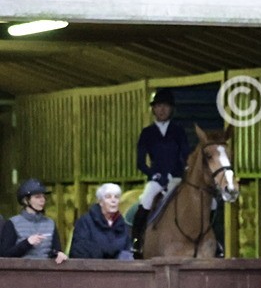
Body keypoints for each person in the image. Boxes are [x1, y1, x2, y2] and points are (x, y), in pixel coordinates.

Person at [132, 88, 191, 255]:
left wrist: (183, 172)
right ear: (153, 109)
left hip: (176, 178)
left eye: (165, 106)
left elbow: (186, 155)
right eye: (158, 106)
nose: (162, 109)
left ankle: (209, 239)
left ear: (171, 109)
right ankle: (136, 240)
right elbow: (140, 162)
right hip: (156, 179)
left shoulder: (178, 131)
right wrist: (153, 174)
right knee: (146, 200)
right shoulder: (147, 133)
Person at [0, 178, 67, 263]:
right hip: (21, 270)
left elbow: (56, 249)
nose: (42, 200)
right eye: (37, 197)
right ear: (26, 200)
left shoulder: (50, 223)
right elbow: (4, 254)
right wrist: (27, 243)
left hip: (46, 270)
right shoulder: (12, 223)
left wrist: (58, 254)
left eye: (43, 196)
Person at [69, 183, 133, 260]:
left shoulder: (123, 225)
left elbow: (128, 249)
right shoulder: (85, 222)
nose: (113, 201)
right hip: (92, 266)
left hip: (117, 267)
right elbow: (78, 252)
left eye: (116, 197)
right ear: (100, 202)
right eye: (108, 197)